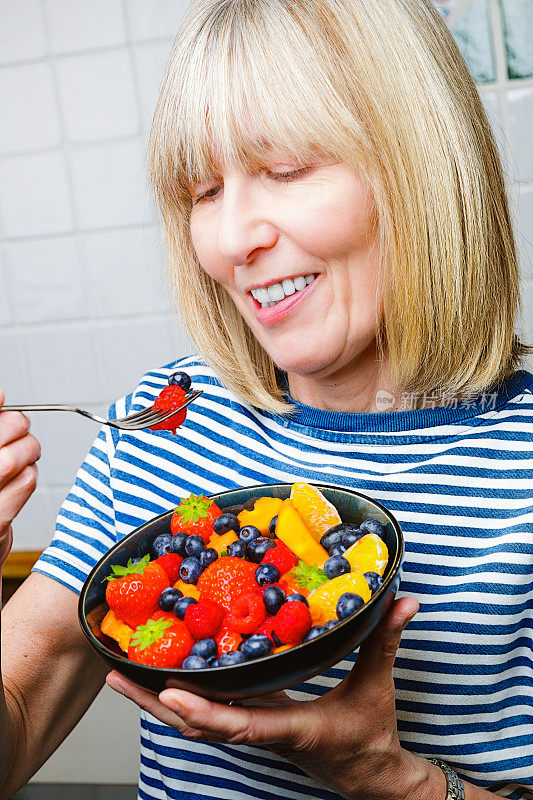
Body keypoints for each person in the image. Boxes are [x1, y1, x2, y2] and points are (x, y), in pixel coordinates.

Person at [1, 0, 532, 798]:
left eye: (285, 170)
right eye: (202, 190)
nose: (226, 240)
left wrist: (387, 777)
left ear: (423, 162)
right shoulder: (163, 414)